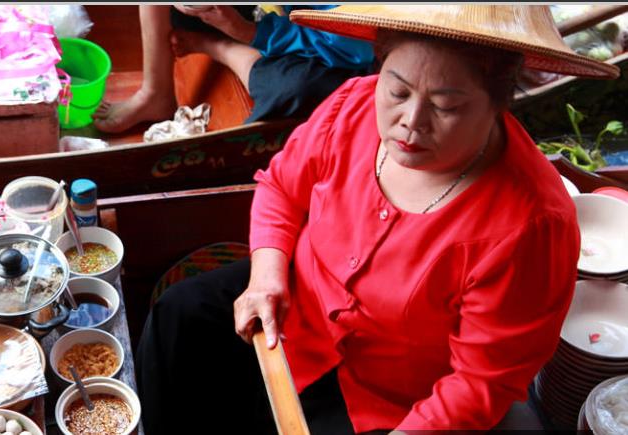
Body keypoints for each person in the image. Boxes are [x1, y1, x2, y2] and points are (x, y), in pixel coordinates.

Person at [135, 5, 618, 434]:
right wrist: (266, 277)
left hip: (387, 400)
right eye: (397, 90)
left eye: (446, 106)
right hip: (295, 308)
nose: (411, 121)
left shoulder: (531, 224)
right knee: (181, 315)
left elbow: (480, 383)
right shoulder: (353, 104)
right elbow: (281, 187)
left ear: (498, 105)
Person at [91, 5, 373, 134]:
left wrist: (247, 31)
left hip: (345, 56)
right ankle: (155, 92)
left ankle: (219, 46)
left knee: (292, 90)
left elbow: (352, 46)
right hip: (280, 18)